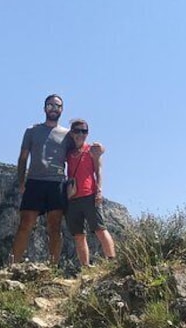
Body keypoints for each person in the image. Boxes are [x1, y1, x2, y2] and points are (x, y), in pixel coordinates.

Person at [10, 94, 103, 265]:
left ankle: (52, 268)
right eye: (50, 105)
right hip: (35, 181)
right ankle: (12, 266)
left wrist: (99, 149)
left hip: (58, 183)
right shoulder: (32, 131)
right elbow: (23, 157)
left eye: (57, 106)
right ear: (44, 108)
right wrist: (21, 181)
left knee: (54, 227)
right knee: (25, 225)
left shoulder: (68, 134)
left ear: (62, 110)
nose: (53, 108)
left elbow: (81, 148)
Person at [65, 118, 116, 267]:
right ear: (71, 133)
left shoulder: (92, 151)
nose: (80, 134)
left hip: (90, 195)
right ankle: (85, 267)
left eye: (84, 131)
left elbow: (98, 170)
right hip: (72, 199)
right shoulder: (68, 153)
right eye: (77, 131)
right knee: (79, 235)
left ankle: (112, 262)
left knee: (100, 228)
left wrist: (99, 190)